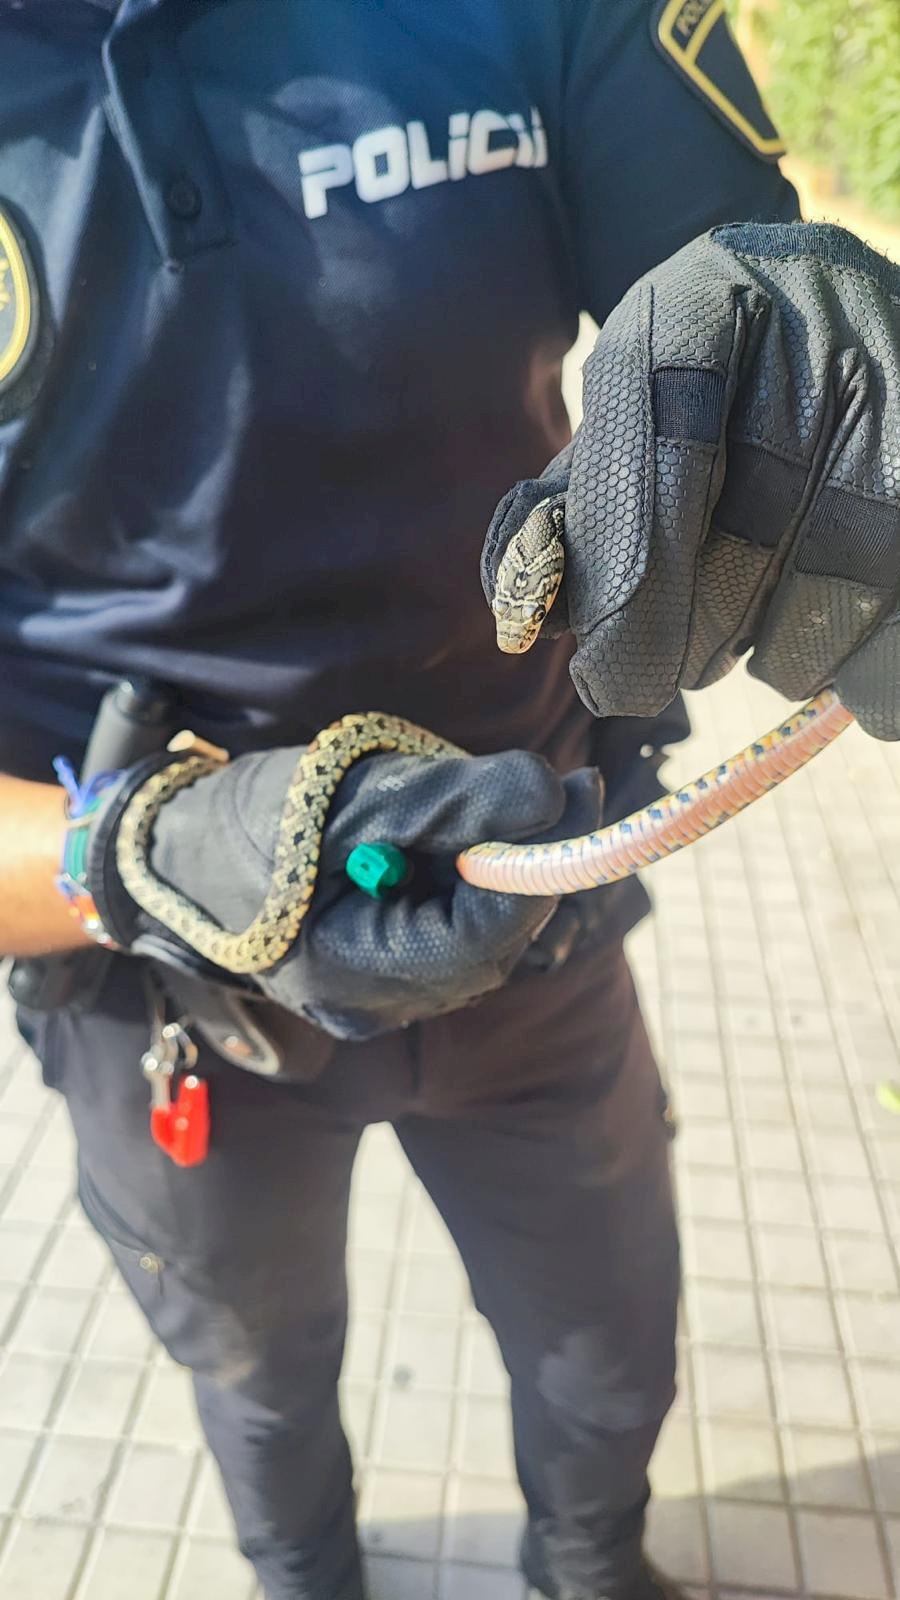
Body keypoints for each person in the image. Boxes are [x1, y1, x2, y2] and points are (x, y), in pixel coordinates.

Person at [1, 3, 897, 1598]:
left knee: (610, 1353)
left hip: (535, 899)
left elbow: (738, 306)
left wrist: (817, 396)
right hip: (160, 982)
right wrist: (135, 855)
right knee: (257, 1380)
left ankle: (592, 1568)